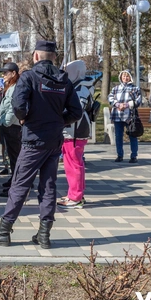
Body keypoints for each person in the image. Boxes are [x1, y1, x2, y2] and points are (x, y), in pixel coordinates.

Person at [0, 40, 82, 249]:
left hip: (34, 139)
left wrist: (25, 118)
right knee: (48, 185)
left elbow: (19, 105)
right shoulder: (64, 79)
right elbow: (76, 112)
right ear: (54, 57)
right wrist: (57, 120)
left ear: (36, 56)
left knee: (20, 184)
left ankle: (3, 230)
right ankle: (44, 234)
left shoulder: (29, 76)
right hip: (54, 139)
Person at [57, 60, 94, 210]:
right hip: (73, 130)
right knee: (72, 163)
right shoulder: (78, 86)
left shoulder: (81, 89)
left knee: (74, 164)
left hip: (75, 130)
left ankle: (75, 197)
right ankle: (75, 194)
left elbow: (76, 110)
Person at [0, 62, 21, 198]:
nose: (3, 75)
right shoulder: (10, 86)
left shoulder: (15, 87)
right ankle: (14, 180)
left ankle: (16, 185)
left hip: (12, 127)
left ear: (13, 74)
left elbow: (13, 107)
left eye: (6, 72)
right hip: (10, 126)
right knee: (13, 156)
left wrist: (6, 122)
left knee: (15, 157)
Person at [107, 70, 142, 163]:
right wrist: (118, 104)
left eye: (127, 76)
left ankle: (134, 155)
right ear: (121, 77)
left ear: (130, 77)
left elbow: (138, 101)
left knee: (132, 135)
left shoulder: (135, 88)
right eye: (123, 76)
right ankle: (119, 155)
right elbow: (110, 98)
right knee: (118, 136)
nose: (125, 78)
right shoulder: (116, 88)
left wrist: (126, 105)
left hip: (130, 116)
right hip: (117, 115)